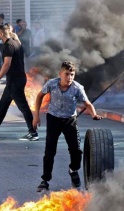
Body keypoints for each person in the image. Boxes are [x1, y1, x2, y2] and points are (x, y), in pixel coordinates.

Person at [33, 61, 102, 192]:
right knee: (50, 151)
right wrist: (36, 116)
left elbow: (87, 103)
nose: (69, 77)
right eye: (67, 74)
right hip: (53, 119)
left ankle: (73, 169)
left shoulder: (77, 88)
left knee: (76, 150)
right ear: (60, 74)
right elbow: (39, 96)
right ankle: (45, 180)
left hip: (70, 120)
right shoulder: (52, 84)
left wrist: (94, 114)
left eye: (72, 74)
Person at [0, 24, 38, 141]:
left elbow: (7, 64)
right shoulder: (16, 43)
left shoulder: (8, 45)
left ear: (1, 34)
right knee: (3, 104)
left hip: (15, 81)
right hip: (14, 80)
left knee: (23, 107)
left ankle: (33, 132)